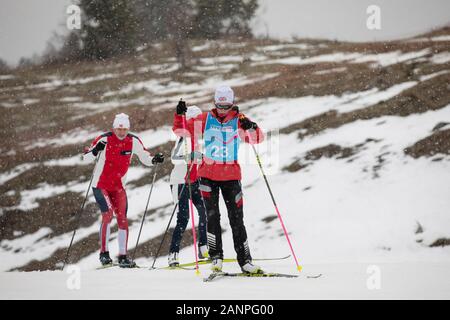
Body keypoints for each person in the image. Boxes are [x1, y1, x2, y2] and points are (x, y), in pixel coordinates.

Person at [172, 86, 264, 274]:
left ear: (232, 104)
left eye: (227, 106)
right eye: (220, 105)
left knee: (237, 219)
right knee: (212, 217)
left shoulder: (240, 120)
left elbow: (257, 139)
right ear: (215, 103)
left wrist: (252, 127)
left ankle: (245, 261)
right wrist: (179, 115)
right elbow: (181, 130)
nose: (223, 109)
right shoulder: (204, 119)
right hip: (207, 175)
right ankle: (216, 257)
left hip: (231, 176)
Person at [83, 113, 165, 268]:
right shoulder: (104, 139)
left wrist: (154, 160)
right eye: (119, 129)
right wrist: (95, 151)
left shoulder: (133, 141)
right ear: (114, 128)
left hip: (118, 187)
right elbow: (85, 158)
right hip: (100, 185)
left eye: (124, 129)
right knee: (107, 215)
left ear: (128, 128)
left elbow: (144, 156)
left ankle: (123, 256)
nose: (121, 132)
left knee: (122, 218)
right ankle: (104, 254)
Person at [168, 106, 208, 267]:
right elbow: (174, 158)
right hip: (179, 181)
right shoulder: (184, 137)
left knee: (205, 213)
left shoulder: (199, 139)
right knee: (183, 219)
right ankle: (173, 254)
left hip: (194, 181)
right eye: (196, 120)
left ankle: (203, 248)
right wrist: (191, 156)